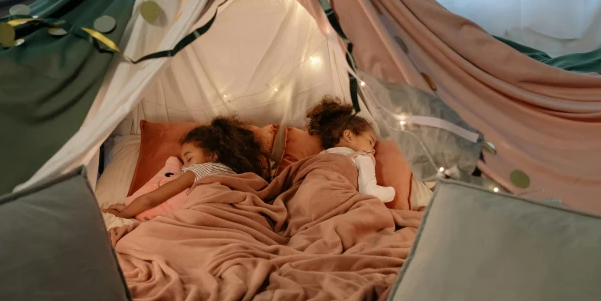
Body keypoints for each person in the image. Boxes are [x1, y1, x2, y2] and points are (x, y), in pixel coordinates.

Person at [103, 116, 269, 220]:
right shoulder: (237, 174)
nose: (185, 167)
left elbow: (150, 199)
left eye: (189, 158)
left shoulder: (201, 170)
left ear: (212, 155)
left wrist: (125, 213)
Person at [306, 97, 396, 203]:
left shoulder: (320, 156)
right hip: (336, 201)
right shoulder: (361, 157)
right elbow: (370, 192)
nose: (373, 150)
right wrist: (392, 192)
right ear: (349, 136)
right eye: (370, 142)